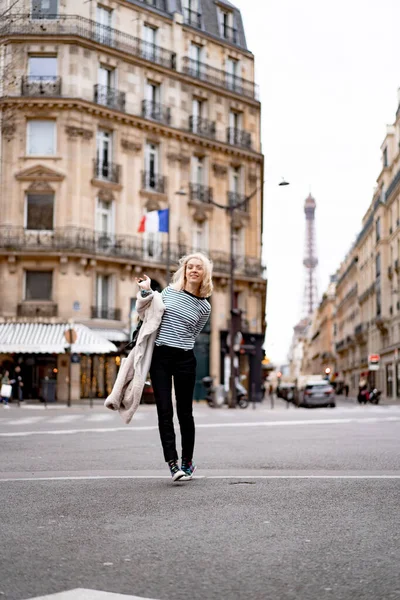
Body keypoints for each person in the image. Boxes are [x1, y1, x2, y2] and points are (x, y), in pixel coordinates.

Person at [136, 253, 212, 482]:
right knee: (165, 411)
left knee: (185, 413)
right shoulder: (169, 292)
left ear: (204, 274)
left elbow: (193, 333)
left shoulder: (204, 307)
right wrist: (146, 290)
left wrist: (180, 344)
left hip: (185, 358)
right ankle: (172, 463)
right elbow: (149, 313)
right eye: (190, 267)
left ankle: (188, 462)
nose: (194, 270)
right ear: (185, 270)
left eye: (199, 267)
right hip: (161, 356)